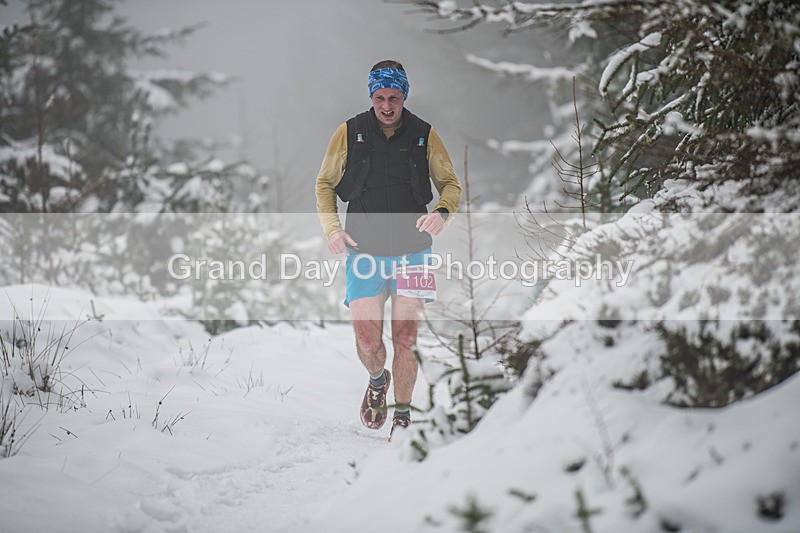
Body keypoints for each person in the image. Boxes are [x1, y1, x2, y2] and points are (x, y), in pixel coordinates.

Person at [315, 60, 462, 440]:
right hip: (363, 251)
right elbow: (324, 185)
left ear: (404, 96)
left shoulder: (424, 134)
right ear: (371, 96)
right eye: (379, 97)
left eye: (393, 97)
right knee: (368, 341)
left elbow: (450, 185)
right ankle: (378, 380)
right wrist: (333, 230)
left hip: (413, 250)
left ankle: (402, 419)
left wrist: (442, 214)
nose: (386, 105)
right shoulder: (349, 132)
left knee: (406, 340)